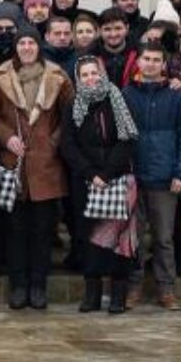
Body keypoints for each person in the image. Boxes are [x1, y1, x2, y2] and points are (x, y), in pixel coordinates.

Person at [0, 30, 72, 310]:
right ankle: (19, 286)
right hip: (14, 165)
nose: (26, 47)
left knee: (42, 232)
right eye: (21, 43)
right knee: (15, 231)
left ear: (39, 46)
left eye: (31, 42)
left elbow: (69, 115)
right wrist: (6, 137)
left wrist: (53, 141)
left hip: (47, 166)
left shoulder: (58, 77)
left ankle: (38, 286)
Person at [62, 56, 140, 314]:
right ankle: (92, 294)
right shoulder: (73, 105)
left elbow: (127, 139)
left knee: (120, 238)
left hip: (118, 177)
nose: (90, 79)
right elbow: (68, 145)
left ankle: (118, 295)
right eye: (84, 75)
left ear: (102, 73)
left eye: (94, 73)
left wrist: (106, 173)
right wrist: (90, 173)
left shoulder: (118, 99)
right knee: (89, 237)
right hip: (85, 181)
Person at [125, 44, 181, 309]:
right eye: (147, 58)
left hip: (165, 179)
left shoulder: (177, 96)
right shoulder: (126, 94)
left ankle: (166, 289)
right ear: (138, 62)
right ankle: (132, 287)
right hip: (133, 178)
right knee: (133, 238)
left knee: (164, 238)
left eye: (157, 60)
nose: (151, 64)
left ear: (164, 64)